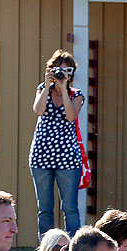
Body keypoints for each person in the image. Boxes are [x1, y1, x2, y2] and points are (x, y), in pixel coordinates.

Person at [29, 50, 84, 240]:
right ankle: (46, 250)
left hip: (67, 157)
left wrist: (64, 88)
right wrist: (47, 85)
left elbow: (70, 116)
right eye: (58, 69)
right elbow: (38, 109)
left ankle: (75, 249)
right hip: (41, 155)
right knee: (44, 208)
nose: (61, 73)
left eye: (66, 70)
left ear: (71, 73)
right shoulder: (42, 88)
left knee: (69, 207)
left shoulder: (76, 94)